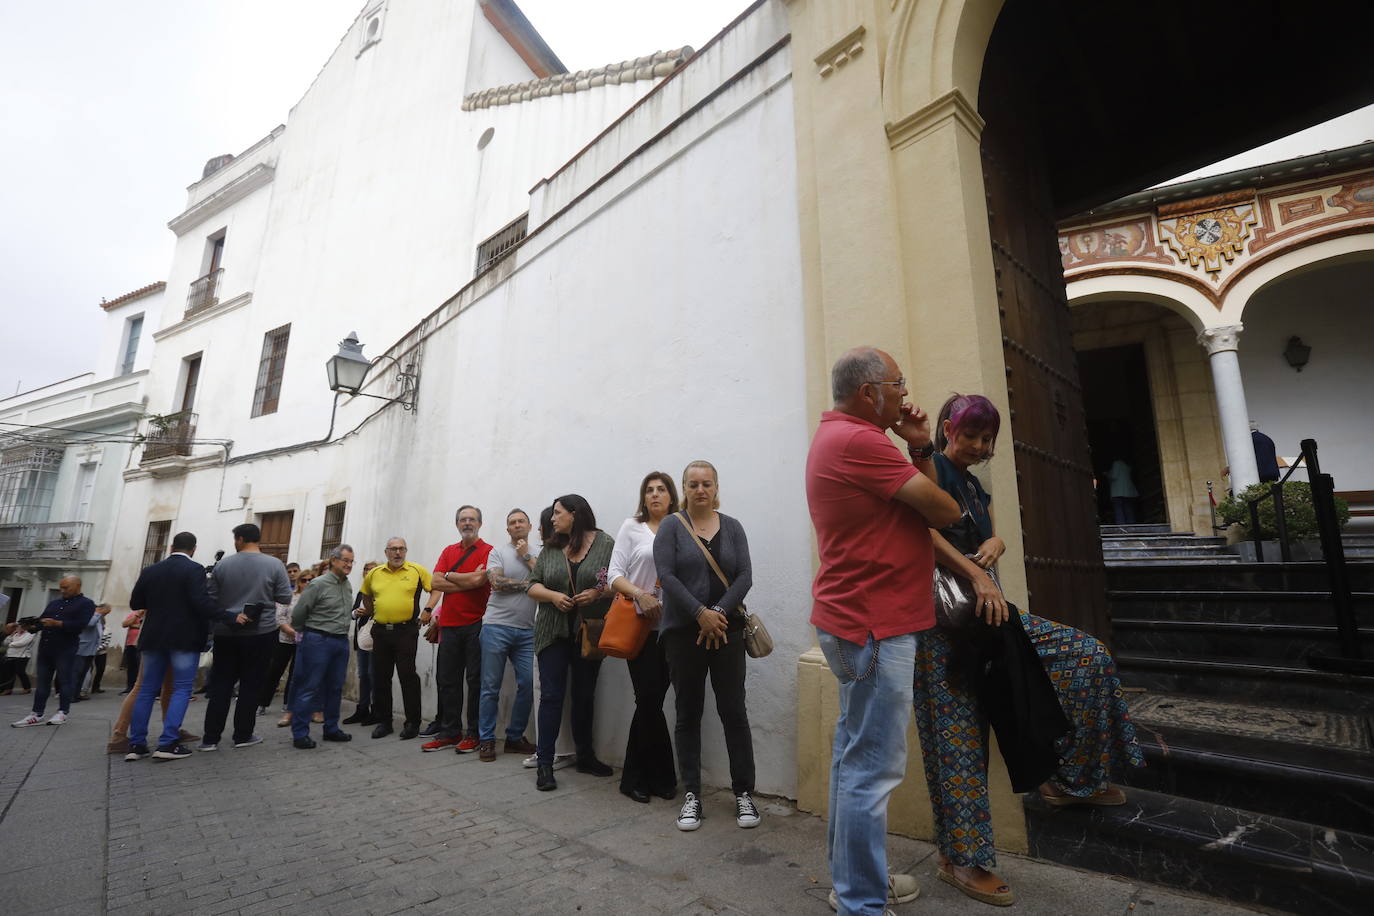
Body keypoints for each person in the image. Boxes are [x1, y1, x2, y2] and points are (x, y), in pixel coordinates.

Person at [922, 393, 1146, 904]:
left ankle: (1068, 778)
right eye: (970, 435)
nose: (978, 446)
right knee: (958, 739)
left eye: (986, 439)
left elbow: (981, 535)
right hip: (941, 624)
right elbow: (922, 532)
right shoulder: (929, 467)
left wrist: (997, 543)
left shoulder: (977, 487)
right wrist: (978, 570)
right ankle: (960, 859)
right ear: (947, 430)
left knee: (1086, 656)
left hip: (994, 618)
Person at [805, 347, 963, 915]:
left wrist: (918, 446)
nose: (904, 393)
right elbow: (946, 510)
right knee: (871, 769)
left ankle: (854, 879)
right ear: (869, 392)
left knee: (855, 759)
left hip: (858, 622)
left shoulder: (848, 437)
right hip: (874, 626)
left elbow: (922, 510)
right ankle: (861, 903)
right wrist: (921, 446)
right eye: (897, 383)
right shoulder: (862, 442)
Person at [655, 461, 758, 831]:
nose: (701, 489)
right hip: (684, 633)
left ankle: (744, 794)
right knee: (688, 713)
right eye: (694, 484)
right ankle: (692, 796)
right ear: (684, 487)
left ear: (716, 487)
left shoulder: (732, 527)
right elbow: (666, 575)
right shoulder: (671, 526)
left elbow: (745, 574)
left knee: (734, 712)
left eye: (707, 483)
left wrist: (717, 612)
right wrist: (699, 613)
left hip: (726, 632)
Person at [125, 532, 250, 761]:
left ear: (171, 546)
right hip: (184, 638)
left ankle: (136, 744)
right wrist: (230, 617)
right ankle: (168, 742)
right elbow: (201, 602)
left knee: (146, 690)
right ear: (193, 549)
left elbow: (136, 602)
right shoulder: (194, 569)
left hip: (153, 637)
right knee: (181, 689)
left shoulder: (151, 570)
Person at [526, 494, 615, 791]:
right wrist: (552, 596)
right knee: (551, 696)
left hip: (588, 632)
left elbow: (616, 582)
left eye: (558, 513)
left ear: (575, 514)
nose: (552, 519)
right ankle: (545, 763)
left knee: (584, 695)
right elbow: (532, 585)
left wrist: (597, 594)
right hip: (552, 632)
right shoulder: (551, 547)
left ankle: (585, 756)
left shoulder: (605, 544)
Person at [608, 473, 680, 803]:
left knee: (652, 702)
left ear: (671, 495)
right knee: (648, 700)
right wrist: (641, 595)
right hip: (639, 628)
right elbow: (614, 576)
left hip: (674, 628)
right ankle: (651, 778)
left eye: (661, 489)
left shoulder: (681, 526)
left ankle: (648, 778)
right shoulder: (632, 527)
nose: (654, 495)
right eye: (649, 490)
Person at [200, 523, 293, 751]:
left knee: (221, 685)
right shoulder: (275, 565)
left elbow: (211, 598)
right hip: (261, 632)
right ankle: (243, 734)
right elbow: (285, 596)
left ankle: (210, 738)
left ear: (240, 539)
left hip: (227, 632)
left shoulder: (222, 566)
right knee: (251, 685)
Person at [470, 509, 540, 762]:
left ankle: (513, 737)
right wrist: (531, 586)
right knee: (490, 687)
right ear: (507, 529)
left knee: (529, 684)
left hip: (527, 630)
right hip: (496, 626)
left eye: (521, 521)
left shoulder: (538, 554)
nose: (517, 525)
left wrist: (527, 556)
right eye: (512, 522)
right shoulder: (497, 552)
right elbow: (497, 583)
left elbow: (546, 578)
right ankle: (486, 739)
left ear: (530, 526)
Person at [421, 506, 493, 753]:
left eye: (472, 519)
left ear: (480, 524)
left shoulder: (488, 551)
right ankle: (450, 732)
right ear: (457, 525)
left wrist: (452, 576)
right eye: (463, 520)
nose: (467, 523)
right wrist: (468, 579)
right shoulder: (448, 551)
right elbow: (435, 582)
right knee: (448, 681)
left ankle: (473, 734)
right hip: (449, 626)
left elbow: (480, 580)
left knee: (475, 682)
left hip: (477, 624)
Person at [360, 537, 432, 740]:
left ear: (406, 551)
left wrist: (428, 609)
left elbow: (435, 589)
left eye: (401, 549)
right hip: (380, 632)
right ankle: (384, 722)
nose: (397, 553)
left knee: (407, 675)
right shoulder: (374, 573)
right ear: (386, 552)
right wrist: (372, 610)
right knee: (380, 677)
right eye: (393, 549)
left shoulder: (417, 570)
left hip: (405, 631)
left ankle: (413, 723)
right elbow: (365, 593)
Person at [289, 544, 357, 748]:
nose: (349, 565)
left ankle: (331, 728)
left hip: (340, 641)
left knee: (335, 687)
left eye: (352, 561)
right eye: (346, 560)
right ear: (333, 560)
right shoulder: (318, 584)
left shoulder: (347, 584)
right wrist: (308, 633)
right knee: (309, 686)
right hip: (318, 640)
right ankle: (300, 734)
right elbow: (299, 613)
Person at [11, 576, 96, 727]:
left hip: (66, 648)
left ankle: (63, 712)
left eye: (66, 588)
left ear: (77, 586)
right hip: (46, 647)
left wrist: (57, 623)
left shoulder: (86, 604)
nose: (62, 591)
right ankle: (37, 714)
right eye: (61, 587)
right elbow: (42, 622)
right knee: (42, 682)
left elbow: (81, 625)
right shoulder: (54, 603)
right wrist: (31, 626)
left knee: (65, 680)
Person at [264, 570, 307, 727]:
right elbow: (279, 617)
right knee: (275, 670)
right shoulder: (290, 596)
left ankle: (288, 703)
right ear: (299, 581)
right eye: (304, 580)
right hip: (285, 639)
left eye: (310, 580)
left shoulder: (313, 598)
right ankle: (263, 702)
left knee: (296, 673)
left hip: (303, 641)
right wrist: (291, 631)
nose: (307, 583)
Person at [343, 561, 379, 725]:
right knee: (363, 675)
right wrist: (356, 612)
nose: (367, 572)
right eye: (365, 569)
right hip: (361, 638)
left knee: (374, 675)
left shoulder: (381, 590)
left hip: (375, 640)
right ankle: (362, 708)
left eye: (371, 569)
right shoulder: (361, 591)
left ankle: (375, 710)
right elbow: (352, 613)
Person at [74, 603, 111, 699]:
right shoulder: (90, 615)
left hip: (91, 649)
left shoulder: (99, 617)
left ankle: (78, 694)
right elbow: (90, 624)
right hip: (83, 648)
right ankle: (71, 695)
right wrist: (97, 613)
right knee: (78, 672)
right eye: (106, 612)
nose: (105, 615)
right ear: (100, 609)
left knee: (84, 672)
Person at [2, 622, 35, 694]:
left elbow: (21, 643)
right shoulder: (15, 634)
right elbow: (5, 642)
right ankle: (8, 689)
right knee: (9, 673)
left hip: (22, 656)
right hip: (10, 655)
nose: (18, 628)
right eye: (18, 627)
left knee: (20, 672)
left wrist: (10, 644)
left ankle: (27, 687)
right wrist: (11, 635)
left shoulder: (29, 634)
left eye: (21, 626)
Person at [1105, 458, 1139, 524]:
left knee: (1119, 511)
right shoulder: (1127, 465)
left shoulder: (1116, 463)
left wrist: (1107, 474)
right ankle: (1132, 527)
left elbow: (1114, 476)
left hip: (1118, 492)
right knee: (1129, 510)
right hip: (1127, 492)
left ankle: (1122, 528)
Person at [119, 609, 144, 694]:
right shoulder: (134, 614)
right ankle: (130, 687)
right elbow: (124, 624)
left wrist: (133, 626)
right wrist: (137, 616)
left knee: (140, 667)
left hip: (142, 645)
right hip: (130, 644)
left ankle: (140, 687)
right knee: (131, 666)